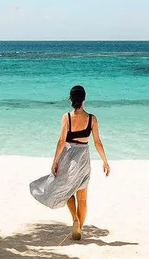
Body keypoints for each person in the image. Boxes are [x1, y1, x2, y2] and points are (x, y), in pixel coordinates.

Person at [29, 85, 110, 240]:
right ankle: (79, 228)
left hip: (68, 156)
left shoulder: (66, 117)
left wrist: (55, 161)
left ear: (71, 99)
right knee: (83, 198)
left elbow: (61, 141)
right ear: (84, 99)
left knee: (66, 191)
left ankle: (74, 219)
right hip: (83, 158)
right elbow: (98, 142)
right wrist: (105, 161)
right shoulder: (92, 119)